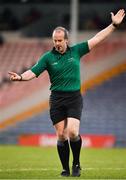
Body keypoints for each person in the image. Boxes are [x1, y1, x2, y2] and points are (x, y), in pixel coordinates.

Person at [8, 9, 125, 177]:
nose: (57, 43)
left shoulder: (76, 51)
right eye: (55, 40)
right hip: (56, 99)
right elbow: (32, 73)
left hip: (73, 97)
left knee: (72, 132)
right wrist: (20, 77)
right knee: (61, 135)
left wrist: (113, 25)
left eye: (60, 40)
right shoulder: (47, 58)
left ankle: (76, 163)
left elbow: (97, 38)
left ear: (66, 40)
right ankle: (65, 168)